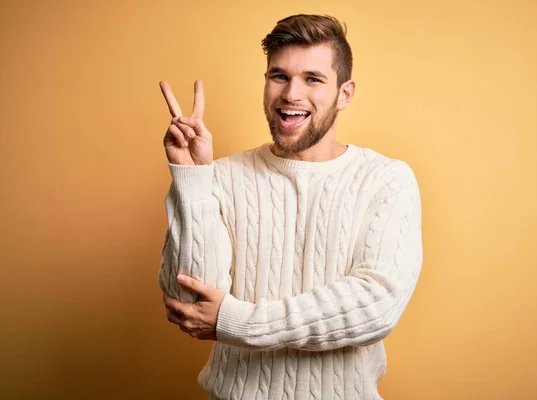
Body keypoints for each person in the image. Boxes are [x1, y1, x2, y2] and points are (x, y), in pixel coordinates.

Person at [158, 14, 423, 400]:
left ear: (344, 93)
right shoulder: (222, 176)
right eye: (279, 76)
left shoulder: (386, 179)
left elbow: (376, 304)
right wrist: (192, 178)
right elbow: (190, 304)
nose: (291, 94)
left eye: (312, 79)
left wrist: (240, 322)